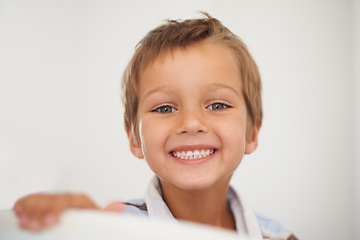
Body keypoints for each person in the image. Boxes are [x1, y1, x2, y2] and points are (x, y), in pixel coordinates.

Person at [13, 13, 297, 240]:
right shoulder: (113, 229)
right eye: (164, 108)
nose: (191, 123)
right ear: (134, 138)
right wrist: (72, 229)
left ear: (253, 132)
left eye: (218, 105)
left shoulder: (279, 236)